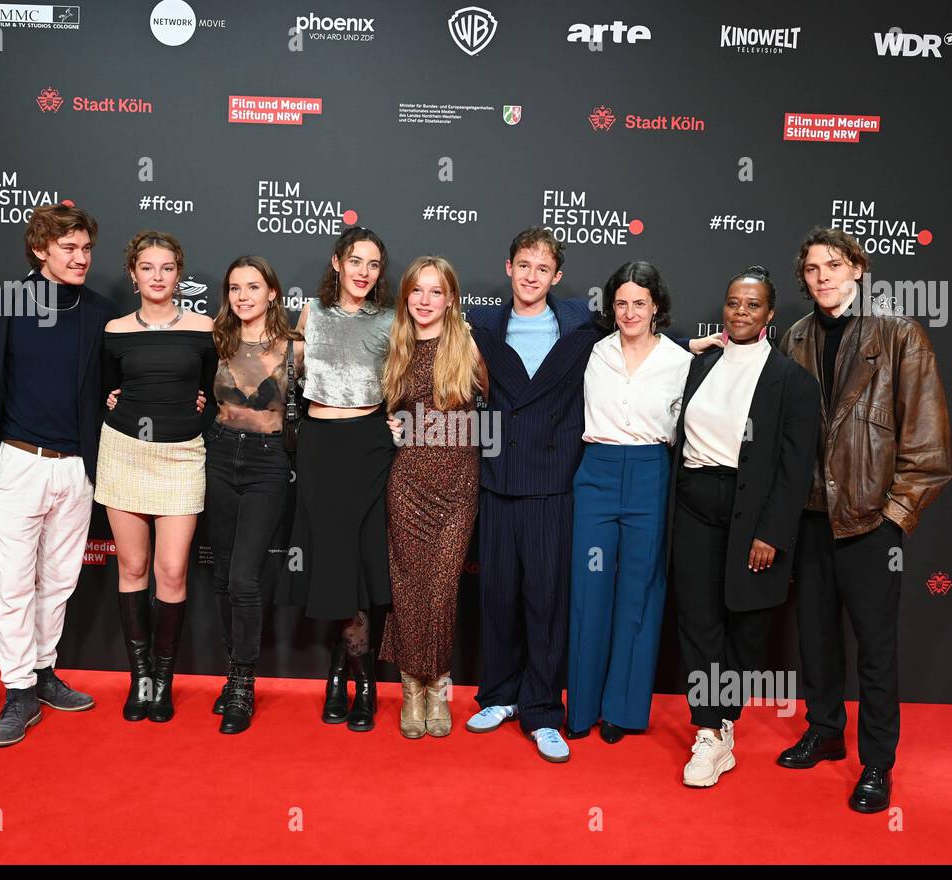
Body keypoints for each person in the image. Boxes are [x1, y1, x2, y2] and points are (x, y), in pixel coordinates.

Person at [464, 227, 717, 764]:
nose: (629, 311)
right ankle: (516, 698)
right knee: (522, 596)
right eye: (523, 265)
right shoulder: (494, 328)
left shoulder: (581, 328)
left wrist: (695, 343)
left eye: (543, 268)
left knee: (571, 599)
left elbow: (668, 351)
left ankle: (559, 709)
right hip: (531, 475)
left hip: (586, 476)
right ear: (508, 268)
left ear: (556, 277)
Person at [776, 228, 952, 813]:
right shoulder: (794, 338)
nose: (823, 276)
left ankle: (877, 762)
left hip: (870, 523)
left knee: (875, 648)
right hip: (809, 518)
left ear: (857, 268)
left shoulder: (900, 334)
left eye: (834, 264)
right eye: (812, 269)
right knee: (816, 639)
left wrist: (893, 519)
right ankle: (825, 731)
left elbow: (927, 448)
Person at [669, 266, 819, 787]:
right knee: (697, 621)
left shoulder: (792, 381)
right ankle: (707, 732)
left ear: (769, 315)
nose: (740, 312)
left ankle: (724, 719)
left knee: (747, 624)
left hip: (751, 513)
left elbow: (795, 466)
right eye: (733, 302)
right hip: (692, 504)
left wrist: (772, 533)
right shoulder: (698, 366)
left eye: (752, 305)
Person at [0, 204, 119, 747]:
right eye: (70, 249)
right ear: (41, 250)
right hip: (19, 460)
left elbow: (112, 390)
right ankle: (17, 691)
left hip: (78, 469)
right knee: (14, 581)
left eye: (87, 249)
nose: (81, 258)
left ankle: (42, 672)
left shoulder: (102, 314)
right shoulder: (5, 305)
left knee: (59, 581)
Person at [565, 262, 692, 744]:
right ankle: (580, 709)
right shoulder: (590, 351)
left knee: (640, 592)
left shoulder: (680, 361)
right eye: (621, 302)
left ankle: (622, 709)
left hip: (650, 474)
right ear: (610, 306)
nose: (630, 311)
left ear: (656, 305)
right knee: (588, 590)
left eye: (640, 302)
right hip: (595, 471)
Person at [95, 231, 217, 723]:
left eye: (167, 268)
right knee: (132, 568)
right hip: (124, 452)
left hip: (182, 456)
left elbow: (213, 391)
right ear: (133, 273)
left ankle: (162, 682)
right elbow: (107, 389)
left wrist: (200, 409)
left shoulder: (204, 327)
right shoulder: (115, 330)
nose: (157, 277)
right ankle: (139, 678)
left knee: (171, 570)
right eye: (147, 267)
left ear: (179, 273)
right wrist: (111, 400)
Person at [287, 226, 396, 732]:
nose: (363, 272)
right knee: (332, 561)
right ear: (337, 262)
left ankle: (361, 682)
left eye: (373, 265)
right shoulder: (311, 312)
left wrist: (404, 421)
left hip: (367, 448)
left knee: (355, 561)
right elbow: (282, 378)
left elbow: (412, 380)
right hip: (318, 446)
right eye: (355, 261)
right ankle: (344, 667)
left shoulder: (392, 321)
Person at [380, 256, 486, 739]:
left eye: (435, 292)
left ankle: (437, 687)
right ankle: (411, 690)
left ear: (450, 299)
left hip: (458, 485)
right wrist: (391, 424)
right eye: (417, 291)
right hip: (408, 485)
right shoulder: (396, 346)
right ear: (406, 296)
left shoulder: (467, 346)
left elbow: (488, 413)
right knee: (407, 589)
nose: (424, 300)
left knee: (441, 592)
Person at [202, 256, 300, 734]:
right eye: (235, 287)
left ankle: (243, 682)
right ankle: (230, 673)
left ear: (272, 292)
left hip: (268, 462)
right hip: (219, 456)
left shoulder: (294, 347)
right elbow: (191, 393)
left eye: (253, 287)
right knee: (221, 576)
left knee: (244, 577)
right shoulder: (217, 339)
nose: (243, 296)